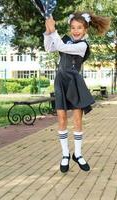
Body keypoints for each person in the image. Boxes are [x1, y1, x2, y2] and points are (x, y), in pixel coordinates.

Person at [44, 12, 110, 173]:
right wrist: (47, 31)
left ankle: (78, 154)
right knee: (61, 119)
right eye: (73, 27)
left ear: (85, 29)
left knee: (78, 121)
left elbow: (61, 46)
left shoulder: (83, 46)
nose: (75, 30)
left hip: (74, 82)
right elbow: (49, 47)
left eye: (79, 27)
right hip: (61, 80)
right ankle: (65, 154)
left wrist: (53, 31)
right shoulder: (65, 39)